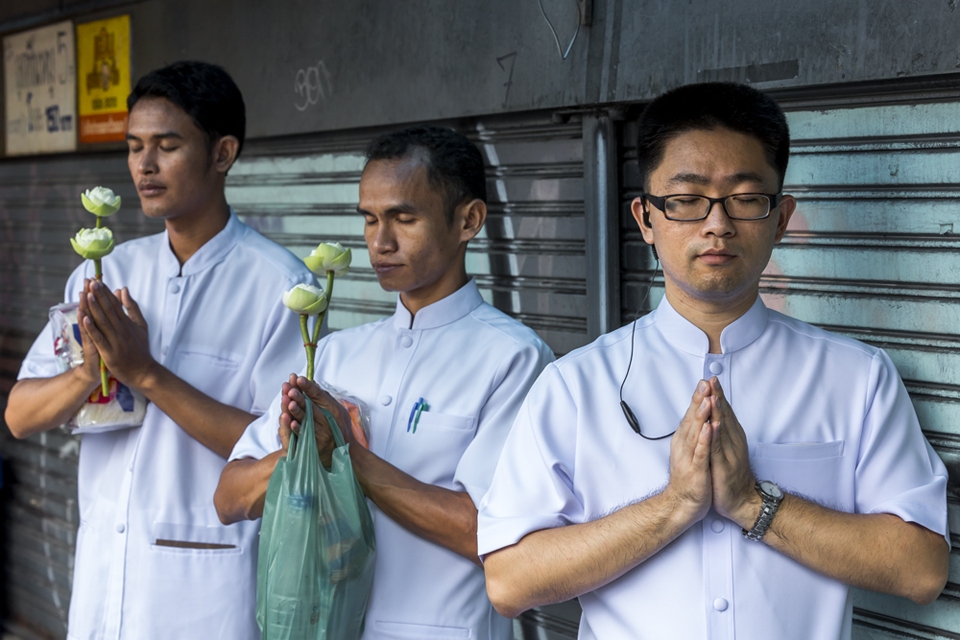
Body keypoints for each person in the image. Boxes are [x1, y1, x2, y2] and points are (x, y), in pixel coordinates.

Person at [477, 82, 950, 639]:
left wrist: (754, 503)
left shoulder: (856, 377)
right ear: (645, 217)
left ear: (781, 216)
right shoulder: (576, 384)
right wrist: (673, 506)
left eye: (746, 198)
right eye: (685, 200)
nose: (717, 224)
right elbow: (508, 581)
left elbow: (921, 568)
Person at [5, 61, 315, 639]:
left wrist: (145, 373)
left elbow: (284, 453)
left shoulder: (281, 288)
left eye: (167, 146)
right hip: (102, 586)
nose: (143, 167)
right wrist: (86, 375)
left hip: (204, 597)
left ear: (223, 153)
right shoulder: (104, 272)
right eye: (134, 147)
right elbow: (20, 415)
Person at [215, 125, 554, 640]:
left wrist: (349, 454)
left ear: (469, 220)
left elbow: (484, 530)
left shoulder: (514, 359)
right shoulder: (333, 353)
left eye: (404, 218)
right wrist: (302, 453)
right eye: (370, 219)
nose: (380, 241)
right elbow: (229, 498)